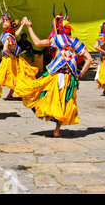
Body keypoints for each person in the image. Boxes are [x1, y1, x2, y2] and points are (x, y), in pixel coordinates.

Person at [14, 9, 93, 138]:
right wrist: (80, 74)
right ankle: (57, 129)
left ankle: (47, 114)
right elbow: (89, 59)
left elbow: (37, 43)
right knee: (64, 101)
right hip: (69, 78)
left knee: (41, 92)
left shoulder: (57, 39)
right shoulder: (76, 42)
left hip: (55, 76)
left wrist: (29, 28)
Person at [0, 3, 39, 100]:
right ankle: (2, 94)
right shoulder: (7, 37)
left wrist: (22, 25)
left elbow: (16, 35)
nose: (15, 28)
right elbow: (5, 48)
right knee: (17, 76)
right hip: (11, 60)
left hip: (14, 59)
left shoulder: (8, 34)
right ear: (10, 28)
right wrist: (12, 56)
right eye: (14, 27)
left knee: (17, 76)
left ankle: (10, 95)